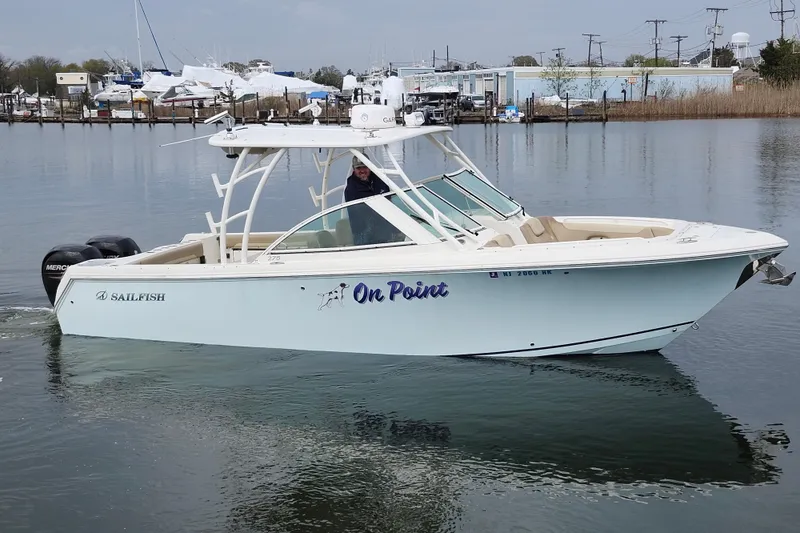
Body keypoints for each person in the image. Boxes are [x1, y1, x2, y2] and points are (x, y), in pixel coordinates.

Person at [344, 156, 394, 245]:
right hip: (363, 231)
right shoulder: (351, 189)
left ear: (369, 167)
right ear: (354, 169)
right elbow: (359, 213)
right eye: (359, 168)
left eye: (365, 167)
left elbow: (389, 200)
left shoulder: (380, 180)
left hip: (384, 227)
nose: (362, 170)